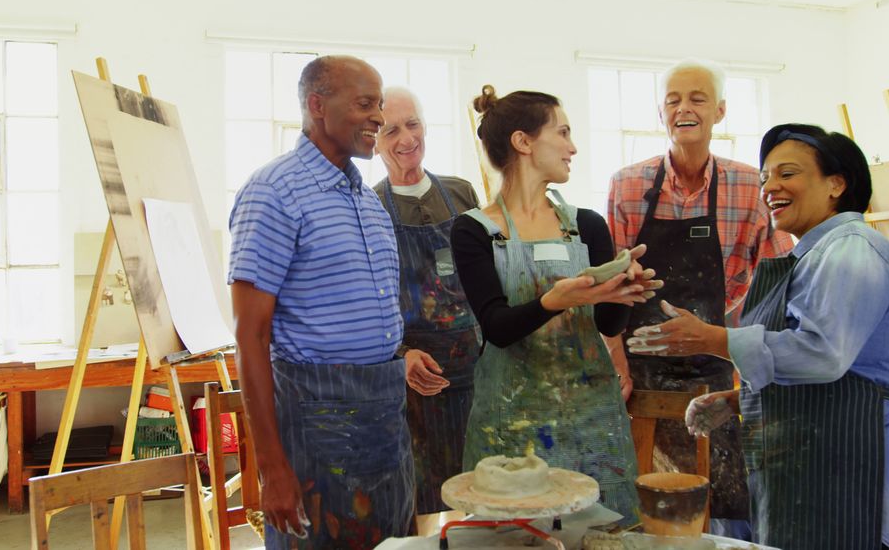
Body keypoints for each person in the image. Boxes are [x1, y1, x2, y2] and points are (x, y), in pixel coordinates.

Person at [629, 123, 889, 549]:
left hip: (850, 470)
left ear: (836, 184)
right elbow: (821, 370)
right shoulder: (809, 256)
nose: (770, 187)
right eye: (765, 177)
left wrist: (713, 339)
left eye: (787, 173)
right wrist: (739, 400)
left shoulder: (852, 248)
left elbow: (823, 354)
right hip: (808, 468)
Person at [451, 85, 661, 522]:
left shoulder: (587, 225)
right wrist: (552, 301)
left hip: (591, 419)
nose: (573, 147)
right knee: (518, 539)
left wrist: (623, 289)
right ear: (523, 142)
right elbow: (497, 327)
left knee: (603, 535)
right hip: (512, 428)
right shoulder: (474, 230)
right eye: (562, 133)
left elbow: (607, 323)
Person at [229, 55, 414, 549]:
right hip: (315, 424)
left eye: (379, 104)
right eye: (364, 104)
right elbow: (250, 336)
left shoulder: (367, 202)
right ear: (316, 105)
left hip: (385, 420)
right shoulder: (273, 192)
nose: (379, 117)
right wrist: (272, 469)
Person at [605, 58, 793, 534]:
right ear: (660, 113)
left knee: (718, 502)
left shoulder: (748, 186)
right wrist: (617, 362)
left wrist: (750, 360)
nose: (683, 109)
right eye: (672, 101)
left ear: (720, 111)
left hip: (715, 368)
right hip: (641, 371)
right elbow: (609, 291)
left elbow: (777, 281)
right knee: (645, 505)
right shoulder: (627, 185)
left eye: (697, 99)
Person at [373, 86, 482, 534]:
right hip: (411, 377)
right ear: (373, 142)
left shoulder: (461, 193)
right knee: (415, 500)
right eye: (390, 131)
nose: (406, 139)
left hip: (471, 369)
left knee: (473, 493)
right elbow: (369, 302)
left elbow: (486, 277)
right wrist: (399, 357)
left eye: (412, 124)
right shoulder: (370, 207)